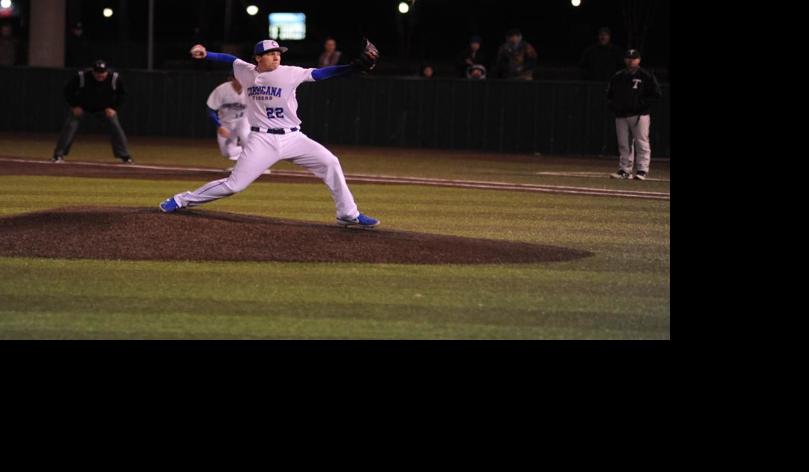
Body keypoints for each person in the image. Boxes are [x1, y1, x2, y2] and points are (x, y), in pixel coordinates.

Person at [159, 39, 381, 229]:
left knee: (330, 162)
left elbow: (322, 74)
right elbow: (229, 59)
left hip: (293, 137)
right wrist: (207, 54)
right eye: (271, 54)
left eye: (278, 53)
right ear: (257, 58)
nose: (276, 57)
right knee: (233, 185)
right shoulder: (245, 71)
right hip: (262, 139)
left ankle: (348, 214)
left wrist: (352, 68)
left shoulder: (290, 73)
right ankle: (181, 200)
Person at [52, 59, 133, 163]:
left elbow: (123, 94)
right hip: (83, 108)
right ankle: (58, 155)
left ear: (107, 71)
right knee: (70, 126)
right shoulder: (82, 76)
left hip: (105, 110)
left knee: (116, 126)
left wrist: (114, 108)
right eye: (97, 72)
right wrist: (74, 105)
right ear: (93, 71)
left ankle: (125, 156)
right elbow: (68, 90)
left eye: (102, 72)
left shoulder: (114, 78)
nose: (100, 75)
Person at [606, 49, 663, 180]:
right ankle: (624, 170)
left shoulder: (646, 75)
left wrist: (642, 106)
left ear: (639, 60)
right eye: (628, 58)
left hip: (640, 115)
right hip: (621, 114)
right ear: (625, 59)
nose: (631, 60)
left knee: (641, 142)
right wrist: (614, 106)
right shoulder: (618, 76)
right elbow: (609, 94)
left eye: (634, 58)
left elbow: (656, 94)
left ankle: (642, 170)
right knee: (623, 144)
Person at [206, 75, 249, 161]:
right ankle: (250, 152)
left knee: (246, 139)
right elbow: (210, 110)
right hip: (226, 123)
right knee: (226, 152)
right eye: (238, 78)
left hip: (243, 120)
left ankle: (255, 161)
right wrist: (219, 126)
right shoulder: (222, 90)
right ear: (232, 79)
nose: (241, 80)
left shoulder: (250, 89)